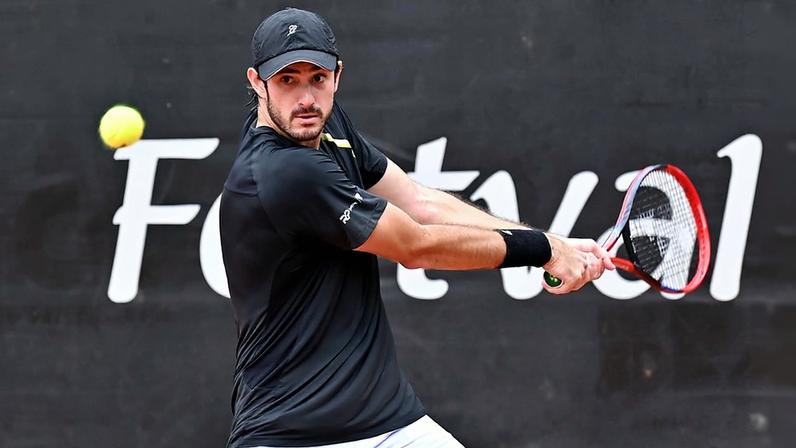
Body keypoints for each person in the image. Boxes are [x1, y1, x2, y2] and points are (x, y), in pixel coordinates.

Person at [220, 7, 615, 448]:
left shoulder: (327, 126)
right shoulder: (283, 172)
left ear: (337, 76)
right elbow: (416, 246)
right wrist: (542, 250)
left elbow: (419, 203)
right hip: (291, 434)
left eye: (318, 78)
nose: (306, 98)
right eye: (287, 80)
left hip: (388, 423)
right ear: (257, 83)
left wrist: (551, 242)